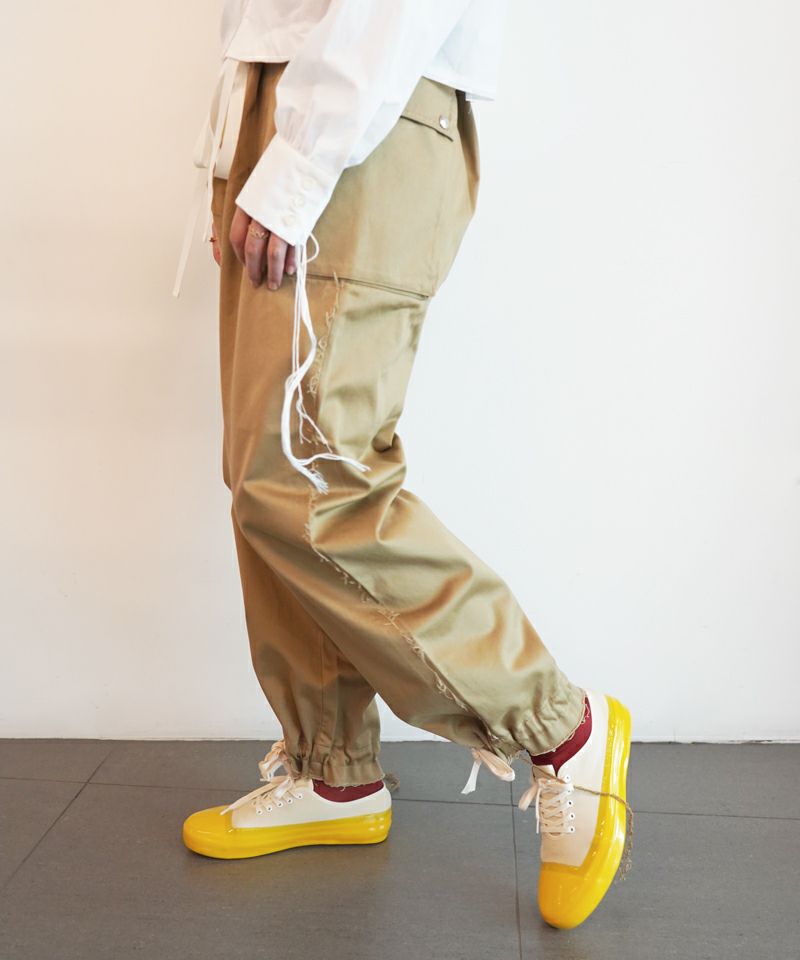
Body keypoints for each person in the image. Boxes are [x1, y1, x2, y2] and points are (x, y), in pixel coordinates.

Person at [172, 0, 633, 931]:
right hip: (293, 98)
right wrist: (242, 147)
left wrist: (301, 159)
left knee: (310, 478)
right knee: (267, 470)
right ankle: (333, 771)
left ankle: (558, 725)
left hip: (361, 102)